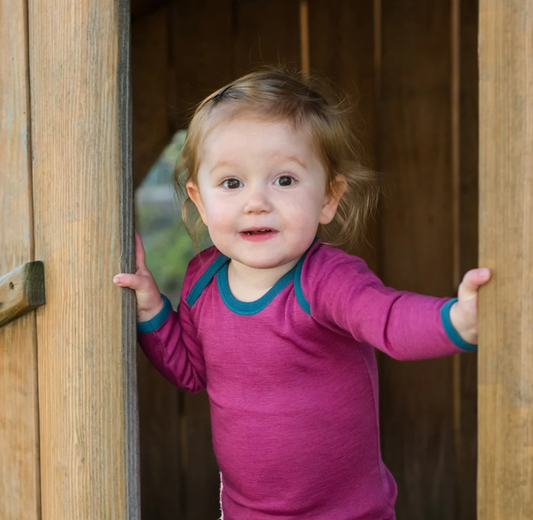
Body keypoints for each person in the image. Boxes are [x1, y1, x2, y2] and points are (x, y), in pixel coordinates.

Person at [113, 68, 491, 520]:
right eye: (232, 183)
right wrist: (152, 307)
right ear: (199, 200)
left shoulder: (327, 280)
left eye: (285, 180)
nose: (257, 202)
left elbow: (388, 319)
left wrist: (458, 320)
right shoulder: (203, 280)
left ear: (329, 197)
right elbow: (191, 371)